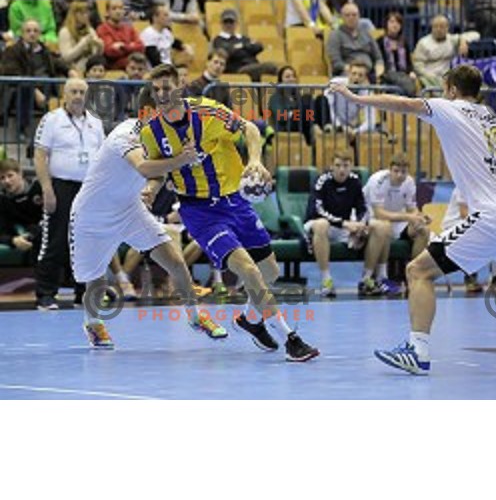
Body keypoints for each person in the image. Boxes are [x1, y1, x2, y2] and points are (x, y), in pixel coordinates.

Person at [331, 64, 496, 375]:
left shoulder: (450, 108)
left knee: (417, 271)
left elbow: (403, 103)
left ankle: (417, 351)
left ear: (453, 90)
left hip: (493, 216)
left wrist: (356, 98)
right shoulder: (491, 118)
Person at [139, 64, 318, 362]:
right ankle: (291, 338)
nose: (161, 94)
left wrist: (256, 161)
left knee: (269, 271)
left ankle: (249, 319)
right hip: (200, 211)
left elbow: (249, 128)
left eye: (166, 87)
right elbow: (157, 169)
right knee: (248, 269)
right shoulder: (151, 131)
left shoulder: (208, 112)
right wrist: (151, 189)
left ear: (180, 86)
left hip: (234, 201)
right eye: (155, 89)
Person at [71, 84, 225, 348]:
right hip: (91, 216)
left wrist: (151, 190)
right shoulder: (125, 133)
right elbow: (143, 166)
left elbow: (156, 174)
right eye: (165, 107)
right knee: (95, 280)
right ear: (147, 111)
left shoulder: (161, 136)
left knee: (175, 260)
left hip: (130, 209)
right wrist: (181, 159)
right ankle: (93, 323)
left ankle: (195, 315)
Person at [33, 78, 105, 310]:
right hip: (60, 187)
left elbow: (103, 158)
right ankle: (46, 294)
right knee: (54, 240)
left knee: (87, 242)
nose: (77, 96)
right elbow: (40, 156)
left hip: (89, 189)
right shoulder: (51, 120)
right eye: (73, 91)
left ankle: (82, 292)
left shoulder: (96, 123)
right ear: (64, 95)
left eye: (82, 92)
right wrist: (47, 188)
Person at [304, 149, 391, 298]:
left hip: (346, 226)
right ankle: (326, 281)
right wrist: (344, 224)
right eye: (338, 165)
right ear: (331, 166)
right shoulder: (322, 181)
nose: (342, 170)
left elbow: (362, 208)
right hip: (320, 224)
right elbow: (317, 210)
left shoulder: (354, 181)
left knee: (382, 227)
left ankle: (367, 279)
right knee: (321, 224)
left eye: (345, 166)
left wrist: (359, 225)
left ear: (350, 166)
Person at [362, 154, 430, 295]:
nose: (399, 175)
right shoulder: (378, 181)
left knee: (423, 230)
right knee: (384, 226)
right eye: (396, 171)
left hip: (398, 221)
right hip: (372, 219)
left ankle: (413, 275)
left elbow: (412, 209)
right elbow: (379, 213)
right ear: (390, 170)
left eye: (403, 172)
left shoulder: (409, 182)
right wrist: (408, 216)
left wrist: (420, 217)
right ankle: (369, 278)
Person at [412, 15, 480, 88]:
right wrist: (429, 76)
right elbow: (418, 65)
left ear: (447, 28)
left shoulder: (451, 39)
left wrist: (463, 40)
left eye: (441, 26)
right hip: (429, 78)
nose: (438, 29)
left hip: (448, 77)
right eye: (435, 26)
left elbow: (476, 35)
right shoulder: (423, 43)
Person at [210, 9, 277, 82]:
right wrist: (245, 46)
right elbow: (227, 52)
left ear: (236, 23)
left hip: (252, 65)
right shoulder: (219, 40)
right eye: (226, 22)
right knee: (270, 67)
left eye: (231, 22)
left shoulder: (243, 38)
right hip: (237, 69)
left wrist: (240, 46)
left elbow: (258, 47)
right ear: (221, 24)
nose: (228, 25)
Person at [325, 60, 379, 143]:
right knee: (317, 103)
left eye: (360, 75)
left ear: (365, 78)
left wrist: (356, 131)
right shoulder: (336, 83)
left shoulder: (367, 92)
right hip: (334, 125)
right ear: (348, 73)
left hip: (352, 128)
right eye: (354, 73)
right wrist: (341, 127)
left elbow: (371, 121)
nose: (356, 77)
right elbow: (328, 107)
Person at [326, 1, 384, 78]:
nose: (351, 18)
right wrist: (354, 71)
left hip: (370, 72)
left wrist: (379, 69)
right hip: (347, 73)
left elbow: (378, 57)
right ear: (342, 17)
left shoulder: (366, 33)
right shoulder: (335, 35)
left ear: (359, 16)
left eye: (354, 15)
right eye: (347, 15)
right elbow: (336, 62)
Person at [0, 158, 43, 260]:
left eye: (10, 175)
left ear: (20, 174)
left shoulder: (38, 188)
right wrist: (13, 240)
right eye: (2, 178)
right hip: (19, 234)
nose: (7, 181)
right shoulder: (2, 200)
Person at [376, 11, 417, 96]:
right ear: (386, 24)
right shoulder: (379, 41)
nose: (395, 25)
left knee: (409, 81)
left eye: (398, 22)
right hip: (387, 73)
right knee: (408, 86)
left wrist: (411, 71)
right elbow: (377, 59)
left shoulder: (404, 42)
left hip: (403, 74)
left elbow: (409, 62)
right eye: (392, 22)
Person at [140, 3, 193, 67]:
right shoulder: (148, 33)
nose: (169, 18)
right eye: (165, 15)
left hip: (168, 68)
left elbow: (174, 42)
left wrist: (184, 46)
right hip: (157, 71)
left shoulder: (166, 32)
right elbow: (154, 60)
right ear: (155, 17)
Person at [58, 1, 104, 74]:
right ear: (74, 15)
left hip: (90, 69)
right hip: (73, 70)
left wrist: (100, 46)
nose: (86, 16)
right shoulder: (65, 32)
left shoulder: (90, 30)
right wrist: (83, 43)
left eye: (87, 13)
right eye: (82, 13)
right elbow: (66, 58)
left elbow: (95, 57)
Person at [97, 0, 145, 70]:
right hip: (114, 67)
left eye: (120, 8)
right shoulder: (102, 28)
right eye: (114, 8)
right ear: (107, 12)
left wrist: (123, 46)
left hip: (134, 66)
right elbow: (110, 52)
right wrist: (131, 45)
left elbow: (141, 47)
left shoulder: (129, 28)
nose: (118, 11)